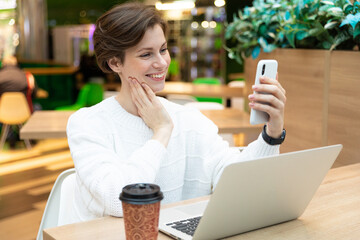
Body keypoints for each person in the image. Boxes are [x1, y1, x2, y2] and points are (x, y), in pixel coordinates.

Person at [66, 2, 286, 224]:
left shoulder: (190, 120)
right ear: (115, 63)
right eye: (146, 54)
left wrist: (272, 134)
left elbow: (233, 178)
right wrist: (161, 131)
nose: (162, 63)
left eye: (163, 49)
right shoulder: (88, 123)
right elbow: (119, 200)